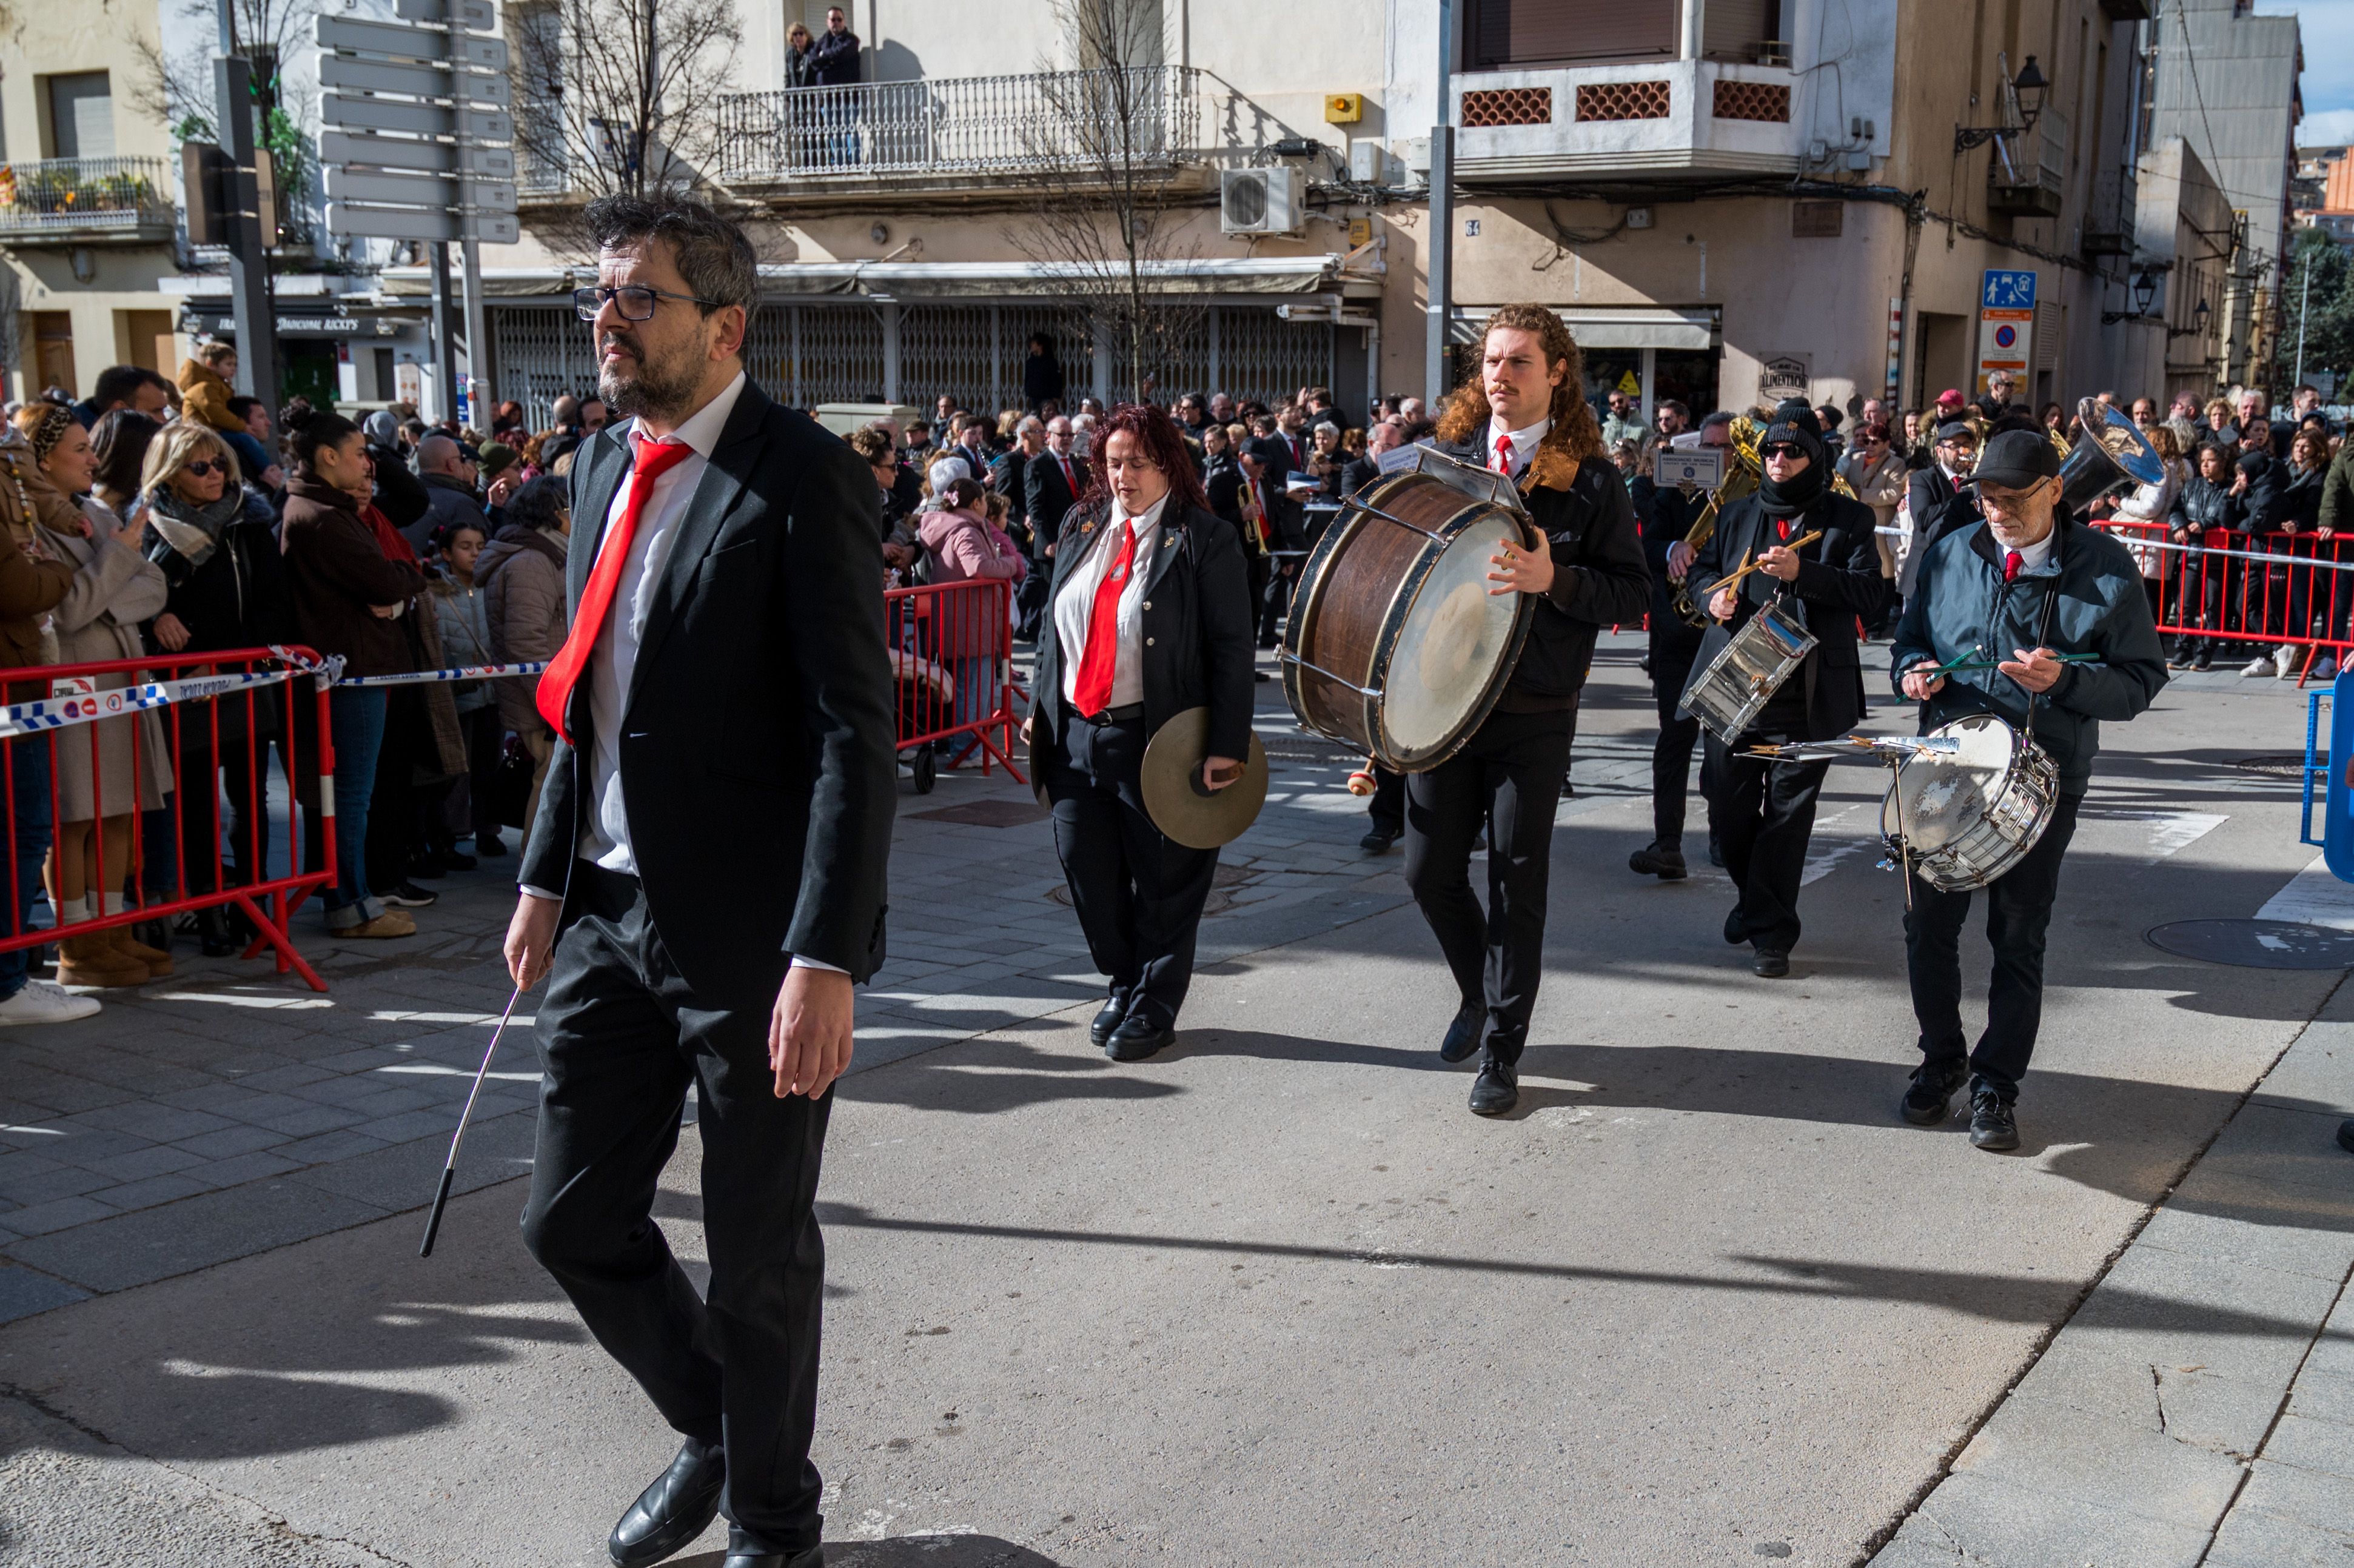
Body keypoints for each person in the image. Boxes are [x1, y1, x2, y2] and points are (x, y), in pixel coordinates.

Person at [503, 193, 894, 1568]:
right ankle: (720, 1427)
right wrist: (544, 877)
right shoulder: (601, 465)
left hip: (756, 938)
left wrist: (825, 954)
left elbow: (853, 733)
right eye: (598, 298)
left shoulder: (804, 477)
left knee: (756, 1246)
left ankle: (775, 1524)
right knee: (569, 1218)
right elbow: (591, 700)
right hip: (608, 911)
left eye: (638, 297)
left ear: (724, 326)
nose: (605, 322)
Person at [1890, 429, 2167, 1151]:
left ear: (2056, 490)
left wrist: (2066, 680)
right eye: (1987, 498)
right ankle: (1941, 1059)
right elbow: (1909, 639)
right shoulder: (1951, 552)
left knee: (2017, 936)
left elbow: (2141, 679)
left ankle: (1996, 1085)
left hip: (2044, 777)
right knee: (1927, 927)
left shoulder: (2107, 567)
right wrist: (1912, 671)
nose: (1998, 512)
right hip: (1951, 768)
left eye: (2014, 498)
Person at [1415, 305, 1649, 1114]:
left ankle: (1502, 1050)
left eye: (1518, 361)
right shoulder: (1447, 461)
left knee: (1517, 880)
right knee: (1427, 871)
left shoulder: (1591, 480)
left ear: (1556, 373)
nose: (1500, 375)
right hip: (1444, 701)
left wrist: (1557, 581)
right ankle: (1477, 992)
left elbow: (1632, 591)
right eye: (1490, 361)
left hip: (1534, 707)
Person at [1023, 401, 1253, 1063]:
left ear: (1169, 466)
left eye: (1138, 463)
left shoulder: (1204, 538)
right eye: (1113, 462)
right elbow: (1053, 628)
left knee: (1164, 882)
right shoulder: (1082, 522)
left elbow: (1233, 649)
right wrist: (1040, 704)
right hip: (1075, 735)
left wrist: (1226, 746)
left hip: (1158, 739)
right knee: (1088, 874)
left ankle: (1154, 1002)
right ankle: (1124, 980)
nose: (1123, 476)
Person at [1687, 401, 1883, 979]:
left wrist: (1806, 575)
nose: (1779, 459)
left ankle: (1772, 935)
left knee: (1788, 819)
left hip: (1808, 691)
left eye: (1793, 451)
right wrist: (1710, 598)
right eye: (1771, 449)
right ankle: (1755, 902)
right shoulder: (1736, 513)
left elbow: (1871, 595)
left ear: (1814, 458)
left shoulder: (1849, 518)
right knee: (1727, 809)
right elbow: (1702, 572)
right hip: (1735, 684)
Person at [14, 404, 173, 987]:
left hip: (118, 679)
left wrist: (104, 587)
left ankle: (112, 930)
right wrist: (117, 562)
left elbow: (153, 586)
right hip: (74, 683)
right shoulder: (29, 525)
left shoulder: (97, 513)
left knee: (119, 809)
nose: (93, 459)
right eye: (80, 449)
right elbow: (66, 609)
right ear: (42, 460)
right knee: (75, 816)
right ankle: (78, 944)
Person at [137, 419, 293, 956]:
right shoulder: (148, 529)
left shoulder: (248, 523)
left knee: (250, 799)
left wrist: (231, 661)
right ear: (169, 473)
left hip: (242, 678)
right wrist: (156, 617)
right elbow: (131, 599)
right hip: (182, 687)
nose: (215, 475)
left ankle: (254, 905)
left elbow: (276, 606)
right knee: (197, 804)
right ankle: (209, 911)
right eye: (199, 466)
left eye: (221, 462)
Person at [279, 407, 428, 939]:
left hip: (356, 664)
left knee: (351, 793)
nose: (368, 465)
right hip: (349, 669)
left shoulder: (327, 510)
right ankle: (350, 905)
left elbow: (390, 580)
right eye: (360, 454)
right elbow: (386, 581)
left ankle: (353, 896)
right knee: (351, 794)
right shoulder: (321, 516)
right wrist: (405, 576)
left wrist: (399, 581)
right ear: (328, 457)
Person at [1631, 411, 1732, 880]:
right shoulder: (1676, 492)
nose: (1714, 455)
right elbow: (1647, 546)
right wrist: (1673, 547)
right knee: (1675, 738)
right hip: (1676, 633)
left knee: (1722, 743)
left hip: (1725, 634)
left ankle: (1722, 833)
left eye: (1723, 448)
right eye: (1707, 447)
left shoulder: (1750, 497)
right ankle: (1667, 843)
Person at [478, 475, 572, 846]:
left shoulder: (545, 554)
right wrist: (552, 703)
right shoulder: (532, 561)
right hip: (542, 699)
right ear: (555, 513)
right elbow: (525, 642)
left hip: (546, 693)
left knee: (551, 778)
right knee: (549, 780)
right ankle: (535, 867)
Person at [917, 476, 1026, 765]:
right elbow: (977, 566)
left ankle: (965, 746)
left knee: (967, 686)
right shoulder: (965, 530)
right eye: (985, 500)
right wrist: (1010, 564)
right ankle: (968, 750)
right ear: (977, 503)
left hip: (964, 619)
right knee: (974, 688)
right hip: (972, 622)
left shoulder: (955, 526)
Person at [426, 520, 501, 866]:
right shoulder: (437, 593)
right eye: (465, 547)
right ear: (446, 553)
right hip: (458, 694)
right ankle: (454, 832)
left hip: (492, 692)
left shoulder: (492, 586)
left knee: (490, 764)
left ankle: (488, 828)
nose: (475, 554)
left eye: (480, 546)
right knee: (457, 768)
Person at [1899, 420, 1982, 602]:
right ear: (1939, 451)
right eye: (1955, 446)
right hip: (1928, 569)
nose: (1963, 451)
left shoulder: (1977, 482)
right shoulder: (1923, 478)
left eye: (1967, 445)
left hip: (1965, 572)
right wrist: (1962, 499)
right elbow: (1922, 518)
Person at [1838, 420, 1909, 631]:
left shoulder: (1896, 463)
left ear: (1886, 443)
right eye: (1866, 441)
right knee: (1858, 567)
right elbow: (1844, 485)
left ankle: (1878, 622)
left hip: (1881, 524)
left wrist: (1862, 494)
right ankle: (1861, 621)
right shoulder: (1855, 459)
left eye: (1875, 442)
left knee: (1884, 572)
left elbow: (1894, 493)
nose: (1869, 445)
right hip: (1856, 522)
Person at [1025, 415, 1089, 558]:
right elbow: (1035, 507)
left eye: (1070, 434)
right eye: (1062, 434)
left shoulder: (1077, 463)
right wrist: (1047, 542)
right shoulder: (1037, 465)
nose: (1067, 438)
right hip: (1053, 544)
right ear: (1049, 436)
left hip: (1076, 541)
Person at [413, 432, 490, 550]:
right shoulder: (461, 504)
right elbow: (480, 552)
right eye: (461, 459)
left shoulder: (406, 496)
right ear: (451, 464)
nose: (463, 465)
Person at [70, 365, 170, 431]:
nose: (164, 421)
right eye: (155, 411)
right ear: (121, 410)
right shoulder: (80, 446)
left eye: (163, 411)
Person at [1022, 332, 1065, 412]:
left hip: (1047, 396)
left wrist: (1056, 395)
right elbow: (1028, 377)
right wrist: (1028, 390)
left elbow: (1056, 379)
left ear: (1040, 345)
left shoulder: (1050, 362)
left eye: (1034, 343)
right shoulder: (1031, 362)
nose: (1031, 345)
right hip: (1034, 396)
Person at [785, 18, 815, 87]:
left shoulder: (814, 50)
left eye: (801, 34)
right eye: (795, 34)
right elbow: (788, 77)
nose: (798, 36)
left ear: (806, 36)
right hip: (796, 92)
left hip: (811, 91)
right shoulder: (790, 53)